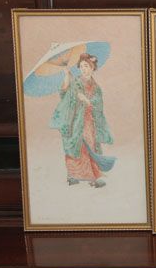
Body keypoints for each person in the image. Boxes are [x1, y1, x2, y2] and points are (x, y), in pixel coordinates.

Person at [49, 53, 115, 188]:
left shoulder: (96, 87)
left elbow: (98, 104)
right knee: (76, 145)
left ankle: (94, 176)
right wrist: (67, 76)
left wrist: (87, 100)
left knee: (91, 145)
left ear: (92, 68)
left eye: (87, 66)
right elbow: (64, 94)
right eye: (81, 66)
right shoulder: (76, 82)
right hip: (75, 120)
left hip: (90, 121)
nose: (84, 69)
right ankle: (73, 175)